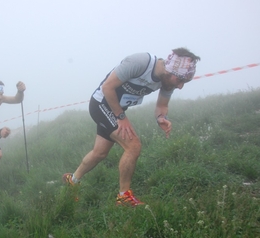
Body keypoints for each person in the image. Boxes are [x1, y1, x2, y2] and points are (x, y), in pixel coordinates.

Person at [62, 48, 200, 206]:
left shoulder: (168, 82)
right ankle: (123, 197)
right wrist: (120, 116)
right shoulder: (140, 62)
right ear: (170, 70)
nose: (181, 86)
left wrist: (162, 118)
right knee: (133, 146)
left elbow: (162, 105)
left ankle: (72, 181)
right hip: (101, 103)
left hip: (115, 109)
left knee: (99, 153)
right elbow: (107, 87)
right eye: (180, 80)